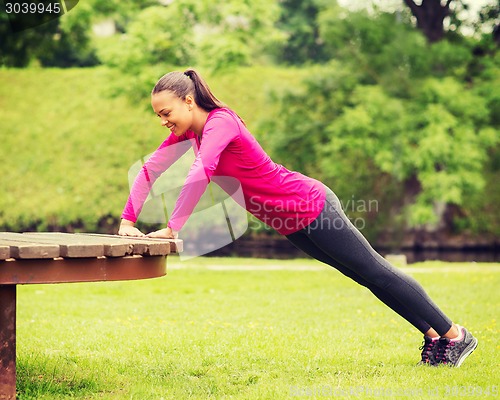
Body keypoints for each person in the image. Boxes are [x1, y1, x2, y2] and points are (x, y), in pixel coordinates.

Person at [118, 68, 478, 367]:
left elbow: (201, 172)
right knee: (363, 276)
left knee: (375, 270)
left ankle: (455, 335)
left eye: (166, 113)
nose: (163, 121)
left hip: (311, 206)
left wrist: (173, 226)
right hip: (290, 223)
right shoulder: (193, 135)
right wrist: (127, 222)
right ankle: (434, 339)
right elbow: (151, 168)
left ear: (188, 101)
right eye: (158, 115)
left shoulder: (220, 123)